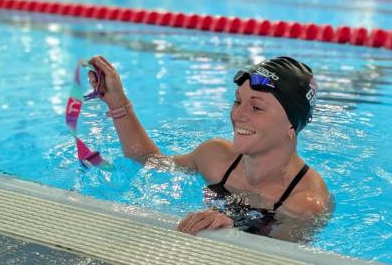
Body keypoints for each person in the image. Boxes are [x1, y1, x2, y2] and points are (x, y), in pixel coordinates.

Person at [87, 55, 331, 242]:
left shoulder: (305, 205)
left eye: (256, 108)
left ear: (291, 124)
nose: (238, 115)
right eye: (237, 101)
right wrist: (116, 100)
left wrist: (236, 228)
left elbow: (273, 258)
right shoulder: (215, 157)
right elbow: (148, 159)